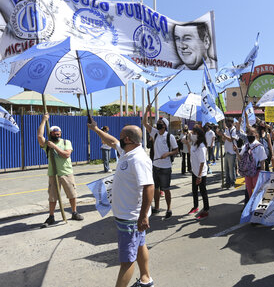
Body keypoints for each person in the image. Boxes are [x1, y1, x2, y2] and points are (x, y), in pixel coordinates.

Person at [87, 119, 155, 287]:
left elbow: (149, 187)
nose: (118, 139)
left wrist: (143, 216)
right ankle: (147, 279)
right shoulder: (127, 152)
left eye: (121, 136)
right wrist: (95, 128)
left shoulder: (138, 159)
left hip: (131, 217)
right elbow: (112, 141)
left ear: (128, 140)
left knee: (127, 260)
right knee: (139, 246)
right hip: (128, 215)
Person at [37, 114, 84, 228]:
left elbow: (66, 155)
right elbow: (39, 136)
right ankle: (51, 216)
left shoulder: (65, 142)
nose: (57, 134)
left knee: (72, 194)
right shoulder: (47, 144)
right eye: (54, 133)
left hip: (66, 172)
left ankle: (74, 212)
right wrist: (44, 120)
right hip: (53, 174)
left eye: (58, 133)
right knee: (53, 196)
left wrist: (55, 147)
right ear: (50, 134)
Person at [143, 106, 178, 219]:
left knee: (166, 189)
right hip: (155, 166)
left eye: (159, 123)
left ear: (165, 126)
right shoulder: (155, 133)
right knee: (156, 189)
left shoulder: (170, 137)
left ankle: (169, 208)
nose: (157, 124)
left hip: (166, 167)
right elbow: (144, 122)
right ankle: (157, 207)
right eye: (157, 123)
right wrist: (147, 111)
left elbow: (176, 150)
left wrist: (167, 154)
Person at [234, 126, 267, 198]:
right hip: (247, 172)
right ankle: (251, 206)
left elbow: (262, 162)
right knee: (249, 191)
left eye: (252, 133)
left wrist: (263, 175)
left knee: (257, 191)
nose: (250, 135)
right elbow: (240, 159)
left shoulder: (259, 146)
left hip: (257, 171)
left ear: (256, 134)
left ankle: (256, 206)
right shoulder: (245, 146)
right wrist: (236, 151)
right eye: (248, 133)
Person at [188, 125, 210, 220]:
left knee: (203, 191)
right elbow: (190, 153)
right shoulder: (194, 143)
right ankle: (195, 206)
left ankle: (206, 209)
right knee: (194, 190)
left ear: (198, 135)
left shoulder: (201, 146)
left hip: (201, 173)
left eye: (194, 133)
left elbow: (202, 162)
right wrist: (188, 142)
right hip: (195, 171)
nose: (192, 134)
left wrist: (199, 176)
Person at [217, 118, 238, 188]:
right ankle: (227, 182)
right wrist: (221, 135)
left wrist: (224, 135)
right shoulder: (227, 129)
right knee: (226, 169)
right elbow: (224, 139)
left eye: (228, 122)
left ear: (231, 122)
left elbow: (231, 139)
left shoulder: (234, 130)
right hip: (226, 151)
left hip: (232, 152)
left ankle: (233, 182)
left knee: (231, 169)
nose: (227, 124)